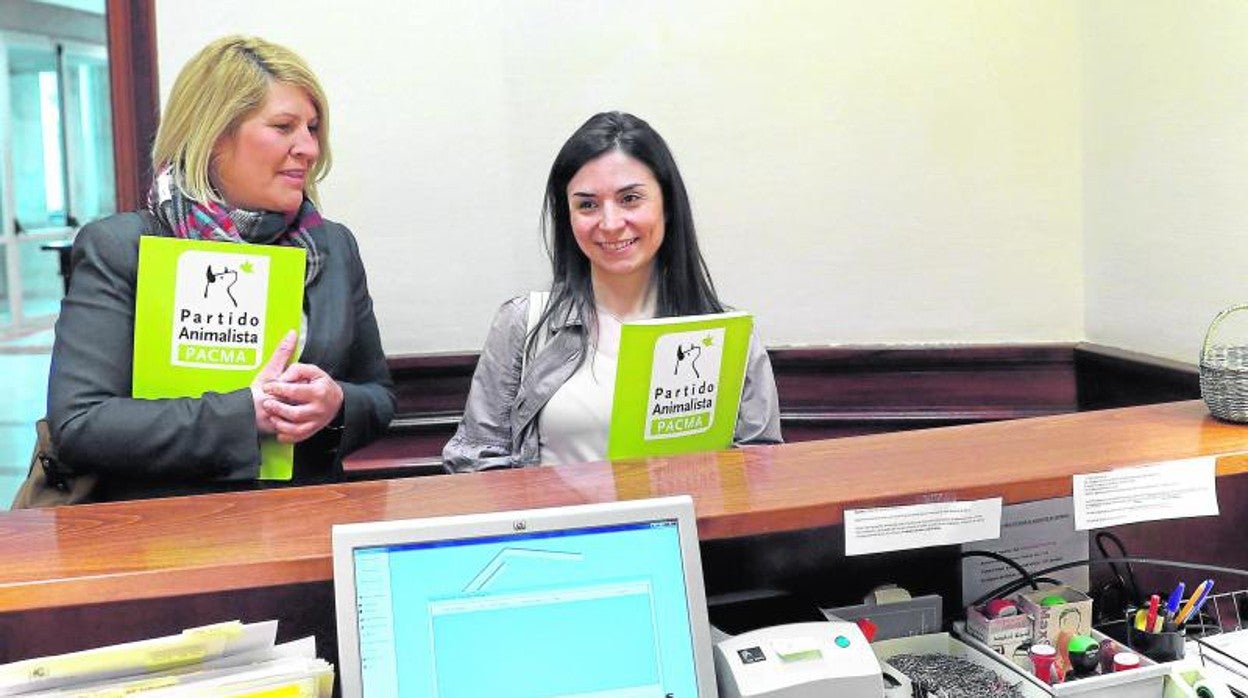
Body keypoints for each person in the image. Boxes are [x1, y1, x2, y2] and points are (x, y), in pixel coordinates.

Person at [46, 36, 395, 501]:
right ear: (213, 136)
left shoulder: (334, 245)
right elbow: (81, 424)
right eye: (284, 127)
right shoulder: (121, 249)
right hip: (166, 525)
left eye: (312, 128)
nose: (308, 147)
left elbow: (379, 396)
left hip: (305, 514)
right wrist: (244, 413)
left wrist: (336, 405)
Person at [444, 111, 781, 472]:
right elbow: (473, 461)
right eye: (587, 204)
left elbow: (760, 470)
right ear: (568, 217)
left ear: (667, 205)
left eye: (630, 198)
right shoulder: (523, 322)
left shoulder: (727, 334)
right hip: (556, 512)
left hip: (688, 512)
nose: (610, 223)